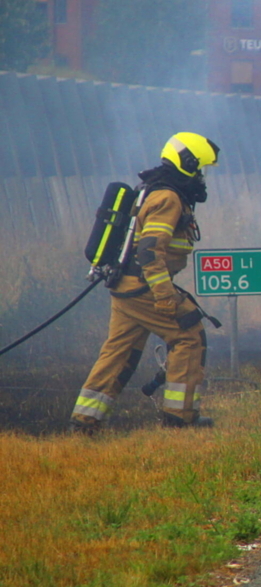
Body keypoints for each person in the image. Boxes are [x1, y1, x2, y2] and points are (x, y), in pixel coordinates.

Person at [70, 132, 220, 433]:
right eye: (199, 168)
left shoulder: (156, 190)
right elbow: (149, 250)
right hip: (144, 287)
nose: (201, 177)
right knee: (189, 334)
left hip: (126, 287)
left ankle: (86, 420)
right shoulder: (168, 198)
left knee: (119, 352)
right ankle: (180, 417)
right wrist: (165, 297)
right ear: (188, 163)